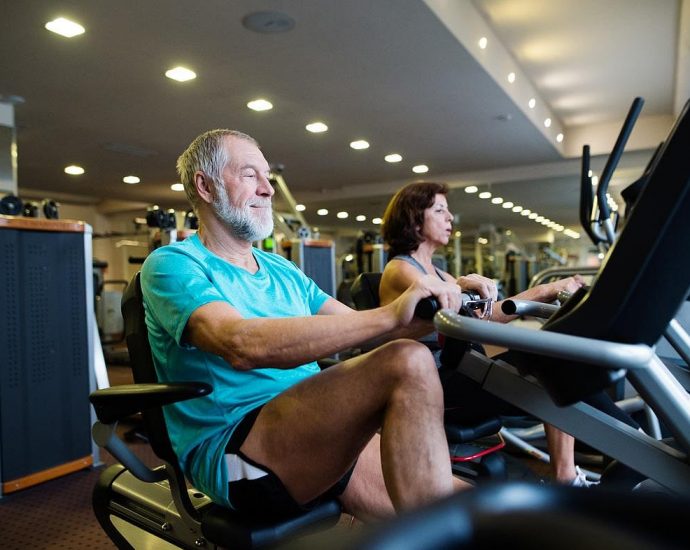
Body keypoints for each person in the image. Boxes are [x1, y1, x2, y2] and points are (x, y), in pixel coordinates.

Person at [140, 130, 471, 523]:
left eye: (267, 177)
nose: (267, 189)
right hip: (238, 449)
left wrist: (456, 307)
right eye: (250, 175)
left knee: (478, 511)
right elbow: (240, 344)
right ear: (205, 186)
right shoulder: (173, 263)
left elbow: (368, 330)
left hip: (311, 424)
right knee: (407, 360)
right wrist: (391, 313)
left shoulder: (281, 268)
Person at [379, 181, 633, 487]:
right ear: (414, 219)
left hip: (464, 369)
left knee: (555, 360)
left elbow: (481, 320)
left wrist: (539, 293)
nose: (450, 217)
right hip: (434, 384)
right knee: (550, 370)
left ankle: (613, 455)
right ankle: (619, 454)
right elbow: (450, 306)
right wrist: (541, 290)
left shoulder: (441, 273)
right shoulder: (400, 269)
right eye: (440, 210)